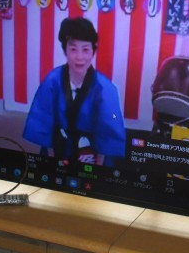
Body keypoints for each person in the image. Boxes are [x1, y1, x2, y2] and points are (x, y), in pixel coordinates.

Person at [23, 18, 126, 165]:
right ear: (65, 50)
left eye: (85, 49)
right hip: (58, 145)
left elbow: (108, 131)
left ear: (93, 51)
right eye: (73, 49)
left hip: (92, 151)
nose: (79, 57)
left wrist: (98, 169)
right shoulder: (52, 80)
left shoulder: (105, 88)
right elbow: (43, 121)